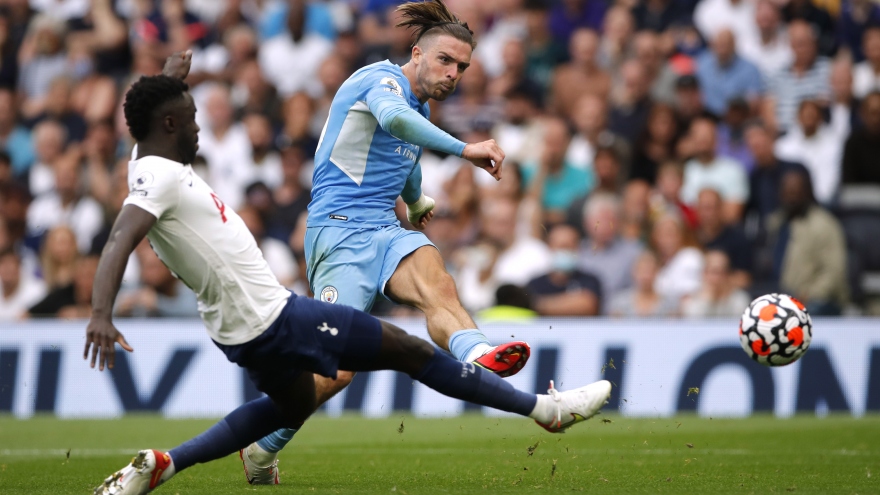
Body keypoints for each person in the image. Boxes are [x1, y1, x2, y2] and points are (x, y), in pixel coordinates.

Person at [88, 69, 611, 495]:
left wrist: (169, 80)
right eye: (193, 120)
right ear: (171, 124)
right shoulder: (156, 178)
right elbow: (118, 240)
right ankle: (547, 410)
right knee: (410, 351)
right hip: (277, 316)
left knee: (290, 406)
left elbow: (150, 132)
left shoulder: (146, 159)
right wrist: (99, 314)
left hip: (238, 332)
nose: (201, 130)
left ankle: (166, 464)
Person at [246, 1, 534, 483]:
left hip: (383, 228)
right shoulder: (377, 81)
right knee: (336, 370)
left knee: (435, 281)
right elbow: (397, 124)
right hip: (337, 233)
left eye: (461, 67)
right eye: (445, 60)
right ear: (417, 52)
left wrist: (417, 199)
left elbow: (403, 150)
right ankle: (260, 446)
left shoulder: (418, 103)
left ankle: (478, 355)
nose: (453, 73)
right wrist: (466, 149)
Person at [680, 250, 752, 317]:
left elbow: (741, 323)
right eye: (713, 272)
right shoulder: (692, 298)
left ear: (728, 275)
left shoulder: (740, 298)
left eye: (721, 273)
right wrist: (706, 301)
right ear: (704, 273)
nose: (716, 278)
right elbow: (692, 325)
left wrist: (724, 300)